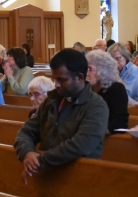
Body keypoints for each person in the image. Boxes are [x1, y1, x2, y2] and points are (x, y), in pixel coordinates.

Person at [16, 49, 110, 177]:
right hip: (46, 174)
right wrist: (27, 153)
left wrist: (40, 161)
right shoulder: (51, 100)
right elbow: (26, 131)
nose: (57, 85)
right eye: (54, 79)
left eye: (62, 80)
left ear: (80, 77)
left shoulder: (96, 106)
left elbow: (80, 145)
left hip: (81, 175)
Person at [86, 50, 129, 132]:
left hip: (107, 139)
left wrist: (92, 134)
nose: (86, 73)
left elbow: (119, 123)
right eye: (85, 69)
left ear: (103, 70)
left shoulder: (116, 89)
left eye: (90, 69)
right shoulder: (87, 89)